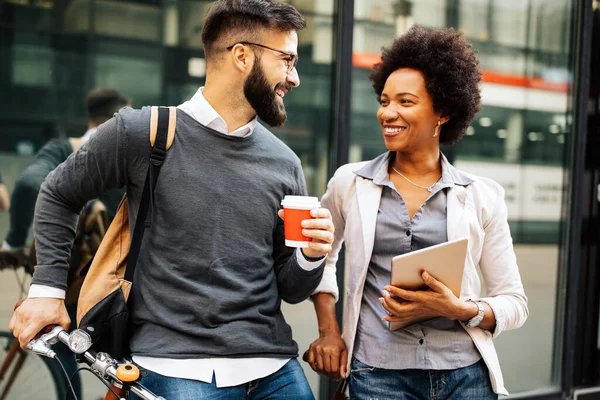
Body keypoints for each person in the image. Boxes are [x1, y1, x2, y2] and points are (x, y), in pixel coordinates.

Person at [9, 1, 336, 399]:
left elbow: (291, 287)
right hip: (172, 367)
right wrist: (47, 293)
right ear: (241, 55)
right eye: (287, 59)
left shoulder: (285, 162)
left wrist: (312, 256)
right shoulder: (141, 131)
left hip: (274, 368)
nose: (295, 77)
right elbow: (59, 192)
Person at [305, 25, 528, 399]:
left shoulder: (481, 196)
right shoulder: (350, 183)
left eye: (405, 102)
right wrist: (329, 331)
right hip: (377, 375)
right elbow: (321, 259)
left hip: (465, 377)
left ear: (442, 112)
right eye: (384, 100)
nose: (387, 113)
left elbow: (514, 302)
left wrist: (461, 308)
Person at [2, 88, 131, 254]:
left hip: (67, 268)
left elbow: (28, 186)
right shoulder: (141, 158)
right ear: (125, 118)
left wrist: (15, 243)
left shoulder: (61, 150)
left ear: (90, 116)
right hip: (123, 270)